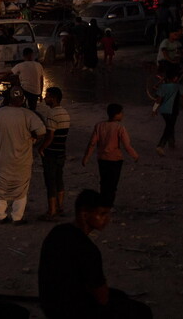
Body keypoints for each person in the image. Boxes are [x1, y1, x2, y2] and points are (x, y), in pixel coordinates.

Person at [38, 189, 153, 319]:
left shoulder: (58, 232)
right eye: (102, 214)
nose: (106, 219)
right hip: (72, 311)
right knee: (142, 311)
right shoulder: (87, 249)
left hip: (50, 304)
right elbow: (102, 297)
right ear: (85, 215)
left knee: (119, 296)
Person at [0, 87, 47, 224]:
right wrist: (33, 140)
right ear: (22, 99)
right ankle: (17, 217)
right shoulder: (28, 114)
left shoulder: (0, 113)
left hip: (3, 158)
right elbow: (41, 132)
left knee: (1, 188)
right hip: (22, 159)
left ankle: (1, 216)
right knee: (21, 189)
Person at [82, 104, 139, 205]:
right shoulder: (120, 127)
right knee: (112, 184)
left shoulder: (99, 126)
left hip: (102, 159)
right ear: (117, 114)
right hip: (115, 160)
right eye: (121, 113)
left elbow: (92, 143)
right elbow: (127, 146)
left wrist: (86, 157)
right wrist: (135, 156)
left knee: (104, 182)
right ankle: (108, 205)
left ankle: (103, 203)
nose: (123, 115)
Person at [37, 87, 70, 221]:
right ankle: (60, 206)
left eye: (47, 96)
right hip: (61, 151)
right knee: (59, 178)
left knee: (50, 181)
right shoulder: (65, 113)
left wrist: (41, 148)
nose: (45, 98)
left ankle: (52, 210)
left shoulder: (52, 114)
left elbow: (50, 136)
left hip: (51, 152)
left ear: (54, 98)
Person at [150, 66, 183, 155]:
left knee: (170, 125)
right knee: (169, 126)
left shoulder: (163, 87)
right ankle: (161, 145)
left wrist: (154, 109)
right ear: (175, 78)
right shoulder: (178, 87)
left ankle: (171, 143)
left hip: (164, 111)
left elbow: (158, 100)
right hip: (173, 111)